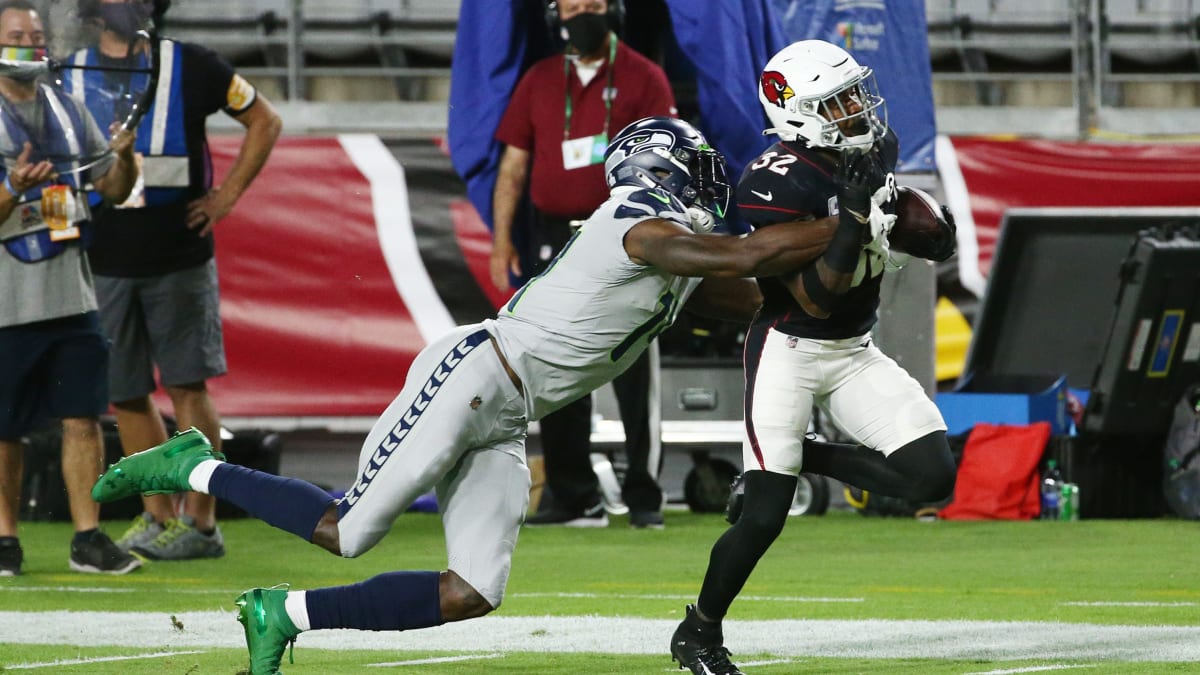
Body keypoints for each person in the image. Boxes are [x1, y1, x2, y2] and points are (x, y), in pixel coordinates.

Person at [92, 116, 843, 674]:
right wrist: (840, 223)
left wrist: (857, 266)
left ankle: (282, 612)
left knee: (471, 590)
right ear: (666, 167)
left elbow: (774, 300)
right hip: (478, 371)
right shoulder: (633, 223)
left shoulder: (679, 263)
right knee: (345, 528)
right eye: (701, 168)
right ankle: (194, 464)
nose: (715, 183)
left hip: (511, 414)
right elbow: (746, 253)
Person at [668, 40, 960, 675]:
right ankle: (698, 631)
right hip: (790, 346)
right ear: (797, 111)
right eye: (840, 100)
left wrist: (922, 226)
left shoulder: (868, 150)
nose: (858, 108)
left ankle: (805, 458)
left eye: (856, 93)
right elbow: (818, 298)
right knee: (765, 518)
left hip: (854, 350)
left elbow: (939, 247)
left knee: (932, 477)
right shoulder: (775, 181)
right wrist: (854, 219)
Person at [64, 0, 281, 561]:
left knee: (188, 386)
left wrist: (226, 197)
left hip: (178, 255)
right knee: (125, 393)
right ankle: (157, 514)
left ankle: (202, 524)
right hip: (100, 258)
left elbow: (265, 119)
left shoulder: (195, 64)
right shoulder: (70, 71)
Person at [492, 0, 676, 528]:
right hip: (555, 240)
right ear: (556, 15)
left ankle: (644, 496)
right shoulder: (540, 78)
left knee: (636, 367)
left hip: (625, 236)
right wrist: (501, 238)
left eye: (594, 4)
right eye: (575, 5)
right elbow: (514, 165)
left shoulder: (644, 76)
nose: (584, 14)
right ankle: (574, 495)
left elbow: (665, 158)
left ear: (614, 10)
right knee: (553, 361)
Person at [0, 0, 140, 576]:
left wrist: (126, 161)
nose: (29, 43)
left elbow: (113, 187)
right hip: (7, 301)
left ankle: (89, 536)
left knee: (83, 417)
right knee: (3, 429)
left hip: (72, 294)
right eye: (15, 34)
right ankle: (5, 539)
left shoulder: (69, 108)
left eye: (35, 34)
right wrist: (11, 188)